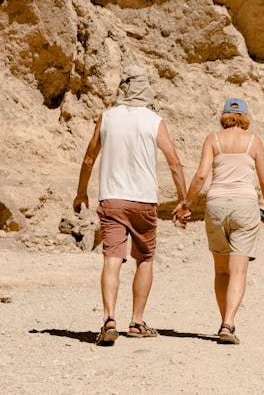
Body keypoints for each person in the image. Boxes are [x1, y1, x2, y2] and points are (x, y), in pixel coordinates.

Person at [73, 65, 188, 346]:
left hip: (112, 199)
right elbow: (173, 160)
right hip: (144, 201)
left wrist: (80, 193)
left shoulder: (107, 117)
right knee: (145, 259)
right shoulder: (154, 121)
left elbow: (89, 158)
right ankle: (136, 322)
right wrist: (183, 200)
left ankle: (109, 318)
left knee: (112, 259)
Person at [175, 98, 264, 344]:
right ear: (245, 117)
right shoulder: (254, 142)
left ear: (225, 116)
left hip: (216, 204)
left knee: (220, 270)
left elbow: (200, 176)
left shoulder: (213, 140)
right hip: (245, 206)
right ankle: (228, 324)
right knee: (238, 271)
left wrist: (186, 203)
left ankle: (223, 322)